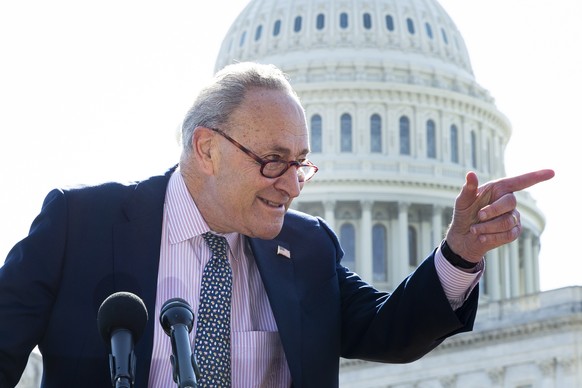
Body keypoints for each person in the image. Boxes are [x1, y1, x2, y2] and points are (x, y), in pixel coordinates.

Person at [0, 61, 554, 388]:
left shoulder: (307, 248)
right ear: (207, 148)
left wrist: (458, 253)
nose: (291, 185)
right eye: (273, 161)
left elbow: (391, 331)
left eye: (301, 164)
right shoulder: (80, 226)